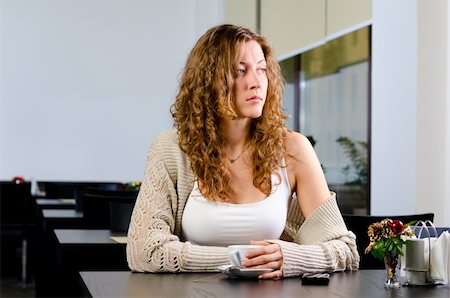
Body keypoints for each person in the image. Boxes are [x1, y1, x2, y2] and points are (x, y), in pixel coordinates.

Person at [126, 24, 359, 279]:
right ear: (209, 80)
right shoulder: (172, 149)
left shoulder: (292, 149)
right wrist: (239, 259)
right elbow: (143, 252)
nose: (256, 82)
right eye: (240, 71)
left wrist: (289, 257)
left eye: (261, 69)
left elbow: (345, 250)